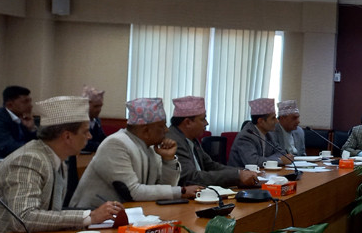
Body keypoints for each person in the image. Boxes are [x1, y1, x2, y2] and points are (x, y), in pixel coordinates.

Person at [0, 96, 121, 233]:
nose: (90, 136)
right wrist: (89, 217)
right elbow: (22, 219)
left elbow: (51, 214)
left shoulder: (57, 158)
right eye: (85, 131)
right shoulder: (29, 159)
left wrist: (92, 216)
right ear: (67, 136)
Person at [70, 97, 202, 206]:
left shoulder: (151, 147)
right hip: (89, 218)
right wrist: (182, 191)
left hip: (128, 214)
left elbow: (164, 188)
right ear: (146, 131)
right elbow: (133, 191)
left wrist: (169, 160)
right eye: (162, 126)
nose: (167, 131)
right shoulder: (116, 144)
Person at [166, 96, 259, 188]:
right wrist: (237, 176)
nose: (206, 123)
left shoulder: (192, 139)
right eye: (203, 119)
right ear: (188, 122)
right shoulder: (173, 141)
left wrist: (241, 172)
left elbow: (210, 165)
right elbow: (191, 178)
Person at [228, 98, 294, 168]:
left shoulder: (269, 134)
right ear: (261, 121)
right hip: (241, 176)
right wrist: (279, 160)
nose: (277, 121)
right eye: (273, 118)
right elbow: (253, 162)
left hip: (263, 174)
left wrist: (266, 160)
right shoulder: (246, 136)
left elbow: (282, 153)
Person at [0, 85, 37, 158]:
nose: (30, 106)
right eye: (25, 102)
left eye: (30, 101)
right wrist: (38, 149)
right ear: (10, 105)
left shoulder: (22, 118)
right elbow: (9, 147)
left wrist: (31, 129)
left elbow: (32, 142)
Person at [81, 86, 107, 153]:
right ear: (85, 105)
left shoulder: (97, 121)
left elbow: (102, 138)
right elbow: (83, 144)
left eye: (100, 106)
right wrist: (102, 146)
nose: (99, 110)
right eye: (96, 106)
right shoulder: (79, 121)